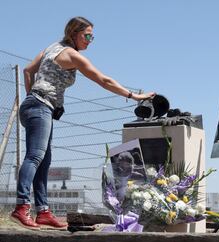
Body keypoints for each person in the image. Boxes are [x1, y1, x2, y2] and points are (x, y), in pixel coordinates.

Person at [10, 17, 155, 230]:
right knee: (35, 156)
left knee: (44, 160)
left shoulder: (52, 48)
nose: (90, 40)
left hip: (36, 105)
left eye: (92, 37)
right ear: (73, 34)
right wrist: (133, 96)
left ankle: (43, 212)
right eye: (87, 36)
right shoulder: (71, 55)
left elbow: (28, 71)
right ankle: (21, 207)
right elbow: (102, 80)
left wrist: (32, 94)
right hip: (40, 106)